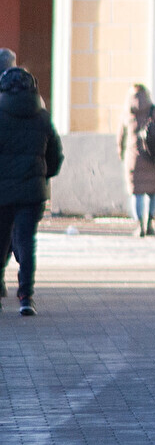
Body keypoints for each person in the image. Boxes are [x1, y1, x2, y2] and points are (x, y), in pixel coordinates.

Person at [0, 57, 60, 315]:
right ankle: (26, 296)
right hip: (32, 192)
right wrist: (44, 175)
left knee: (1, 240)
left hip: (2, 192)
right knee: (26, 241)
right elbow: (54, 155)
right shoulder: (43, 117)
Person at [121, 86, 155, 237]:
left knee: (136, 193)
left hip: (134, 159)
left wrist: (122, 152)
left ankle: (139, 225)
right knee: (152, 192)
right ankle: (149, 224)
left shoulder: (128, 112)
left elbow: (121, 135)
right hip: (154, 157)